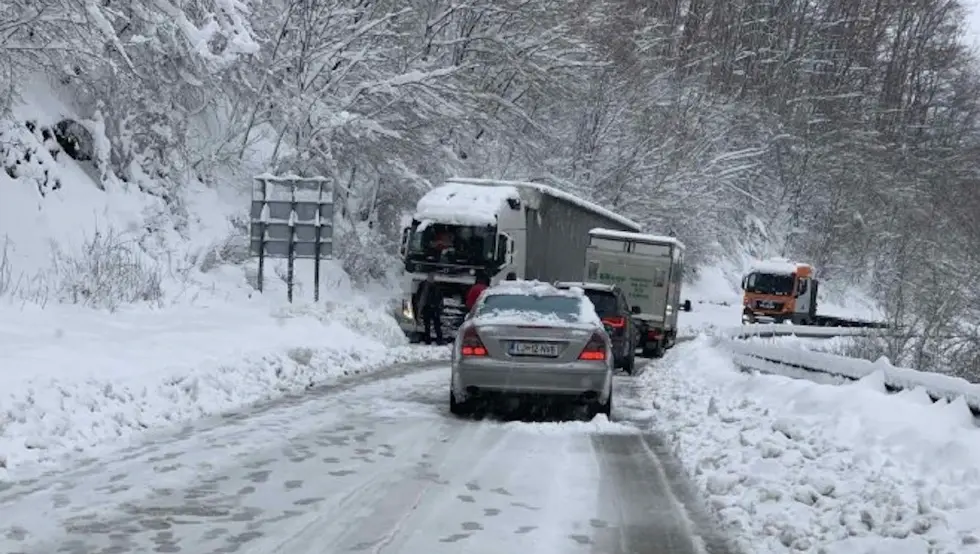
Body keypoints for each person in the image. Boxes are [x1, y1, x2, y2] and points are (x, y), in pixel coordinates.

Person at [417, 273, 444, 345]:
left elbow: (440, 298)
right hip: (428, 308)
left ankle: (438, 340)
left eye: (432, 277)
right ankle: (429, 340)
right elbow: (421, 297)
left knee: (436, 325)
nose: (432, 279)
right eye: (430, 277)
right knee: (428, 325)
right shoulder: (424, 286)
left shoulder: (435, 286)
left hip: (434, 308)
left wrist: (440, 307)